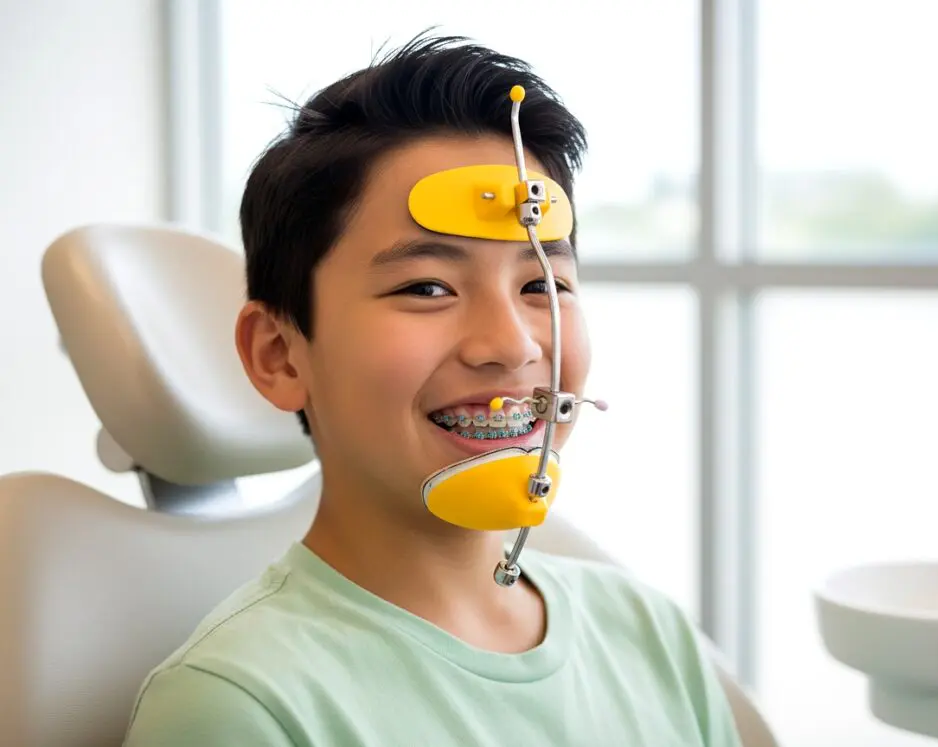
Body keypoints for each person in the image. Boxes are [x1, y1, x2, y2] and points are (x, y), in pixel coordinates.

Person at [122, 33, 744, 746]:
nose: (513, 344)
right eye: (427, 286)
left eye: (543, 283)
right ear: (279, 356)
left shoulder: (650, 632)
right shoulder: (239, 706)